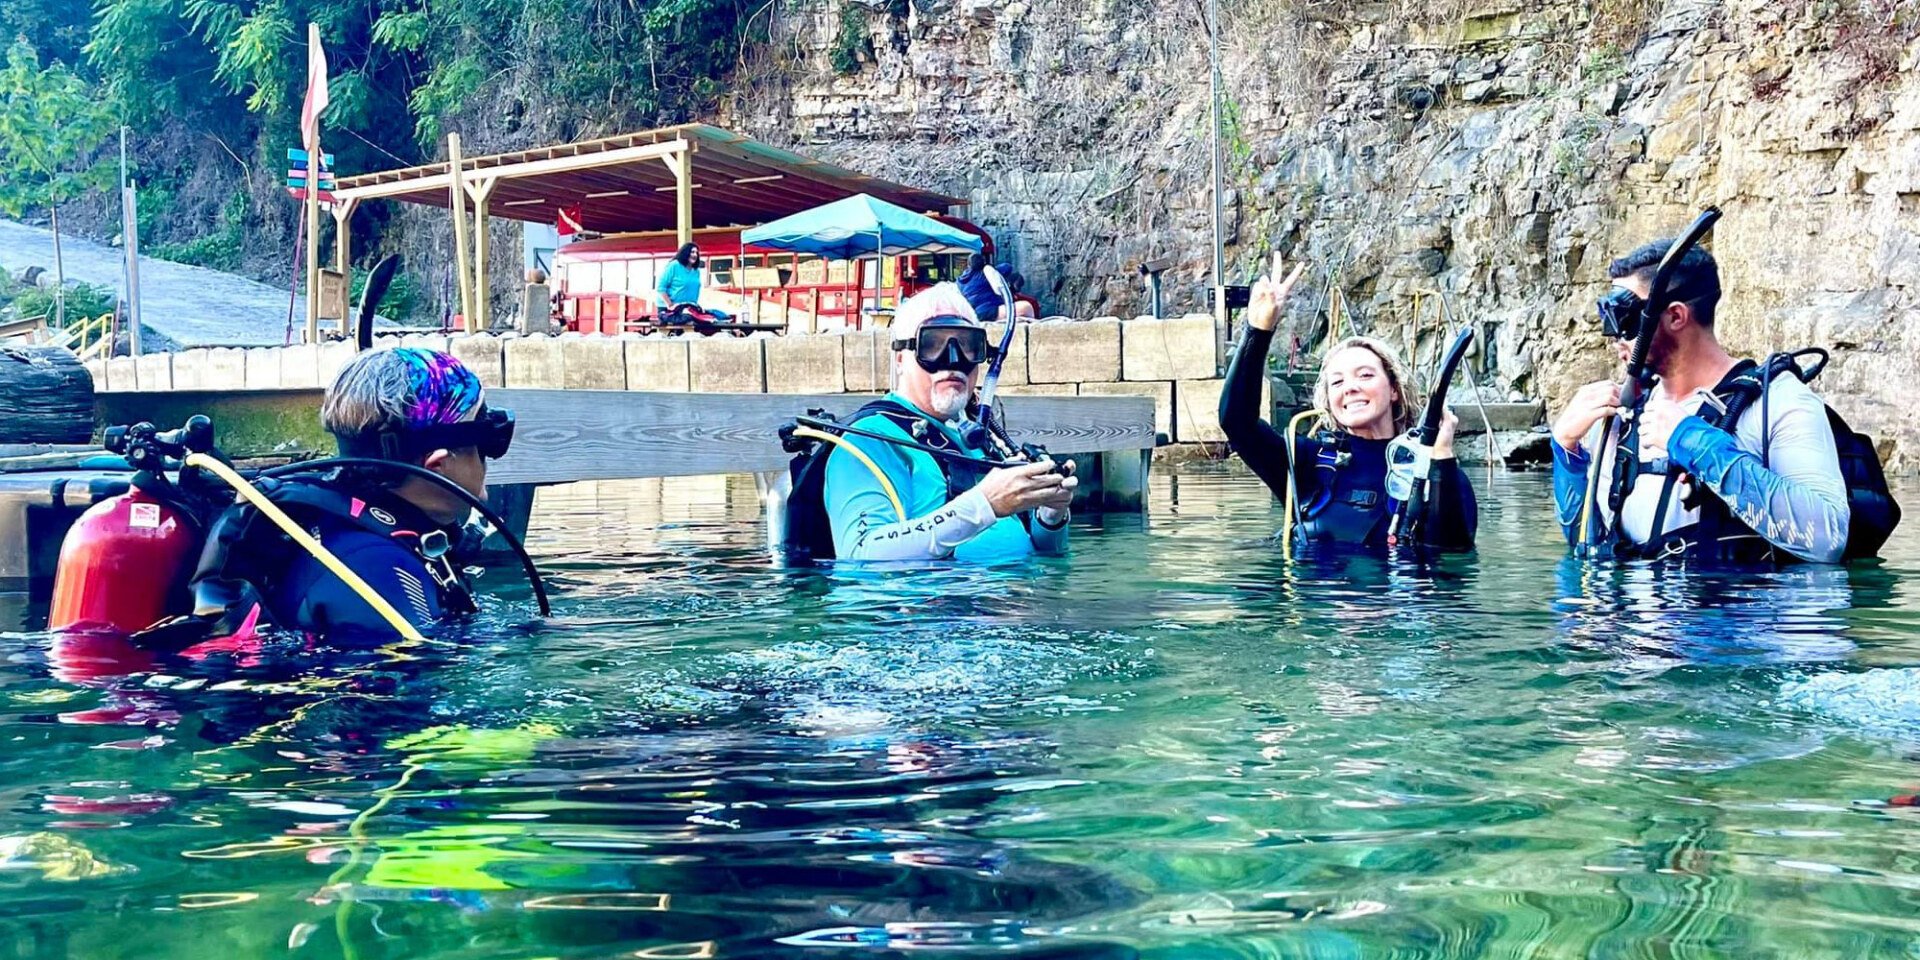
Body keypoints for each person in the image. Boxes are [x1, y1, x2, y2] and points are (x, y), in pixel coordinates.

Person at [178, 348, 516, 640]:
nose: (488, 456)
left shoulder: (355, 532)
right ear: (438, 465)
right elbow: (404, 704)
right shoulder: (379, 567)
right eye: (485, 441)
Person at [1549, 240, 1851, 563]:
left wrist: (1694, 443)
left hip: (1744, 609)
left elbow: (1827, 539)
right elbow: (1588, 547)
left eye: (1624, 319)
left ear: (1676, 316)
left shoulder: (1778, 402)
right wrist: (1567, 453)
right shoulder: (1623, 419)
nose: (1614, 337)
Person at [1218, 258, 1476, 552]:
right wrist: (1258, 329)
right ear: (1329, 401)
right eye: (1337, 382)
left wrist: (1440, 458)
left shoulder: (1436, 474)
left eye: (1365, 375)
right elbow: (1236, 423)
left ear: (1394, 389)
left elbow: (1453, 555)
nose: (1351, 387)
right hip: (1316, 597)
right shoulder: (1307, 463)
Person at [814, 283, 1076, 562]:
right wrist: (984, 505)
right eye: (933, 346)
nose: (952, 361)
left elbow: (1048, 554)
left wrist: (1051, 516)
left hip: (1015, 598)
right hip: (935, 603)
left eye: (967, 347)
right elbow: (861, 553)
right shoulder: (868, 443)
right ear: (901, 359)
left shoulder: (978, 439)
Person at [655, 242, 731, 326]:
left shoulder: (696, 271)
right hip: (671, 309)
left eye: (697, 253)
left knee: (718, 315)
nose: (695, 255)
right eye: (692, 252)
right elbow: (661, 288)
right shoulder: (674, 266)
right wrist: (670, 304)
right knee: (690, 319)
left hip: (689, 307)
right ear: (685, 253)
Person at [956, 253, 1036, 323]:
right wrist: (988, 267)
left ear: (968, 265)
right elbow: (1007, 267)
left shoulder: (960, 281)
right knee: (1026, 307)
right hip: (988, 311)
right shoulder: (984, 274)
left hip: (973, 314)